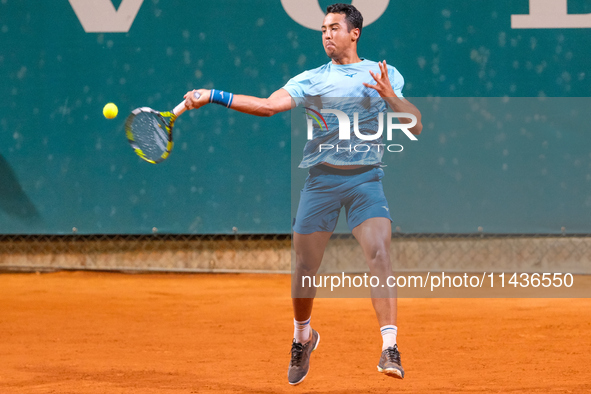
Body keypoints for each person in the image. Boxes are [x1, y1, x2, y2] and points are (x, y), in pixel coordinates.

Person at [183, 3, 422, 385]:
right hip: (321, 183)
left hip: (366, 181)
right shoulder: (310, 79)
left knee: (380, 253)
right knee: (305, 269)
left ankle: (389, 347)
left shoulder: (383, 73)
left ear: (354, 33)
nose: (326, 34)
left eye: (334, 28)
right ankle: (302, 337)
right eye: (323, 28)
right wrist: (214, 94)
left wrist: (391, 97)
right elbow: (266, 106)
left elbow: (416, 126)